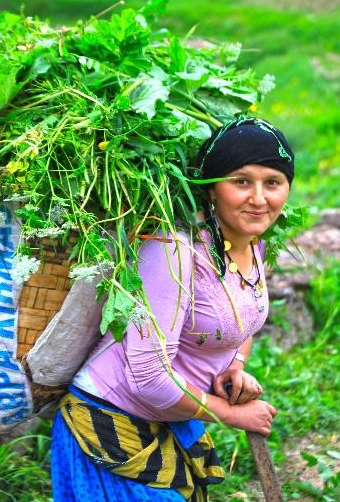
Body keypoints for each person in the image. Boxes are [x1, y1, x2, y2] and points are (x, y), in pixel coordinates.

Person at [50, 117, 295, 501]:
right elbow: (146, 375)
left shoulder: (253, 244)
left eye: (273, 183)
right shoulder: (174, 250)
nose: (259, 198)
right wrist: (230, 414)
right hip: (111, 422)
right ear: (213, 188)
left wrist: (234, 365)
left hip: (171, 418)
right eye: (241, 181)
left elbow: (244, 318)